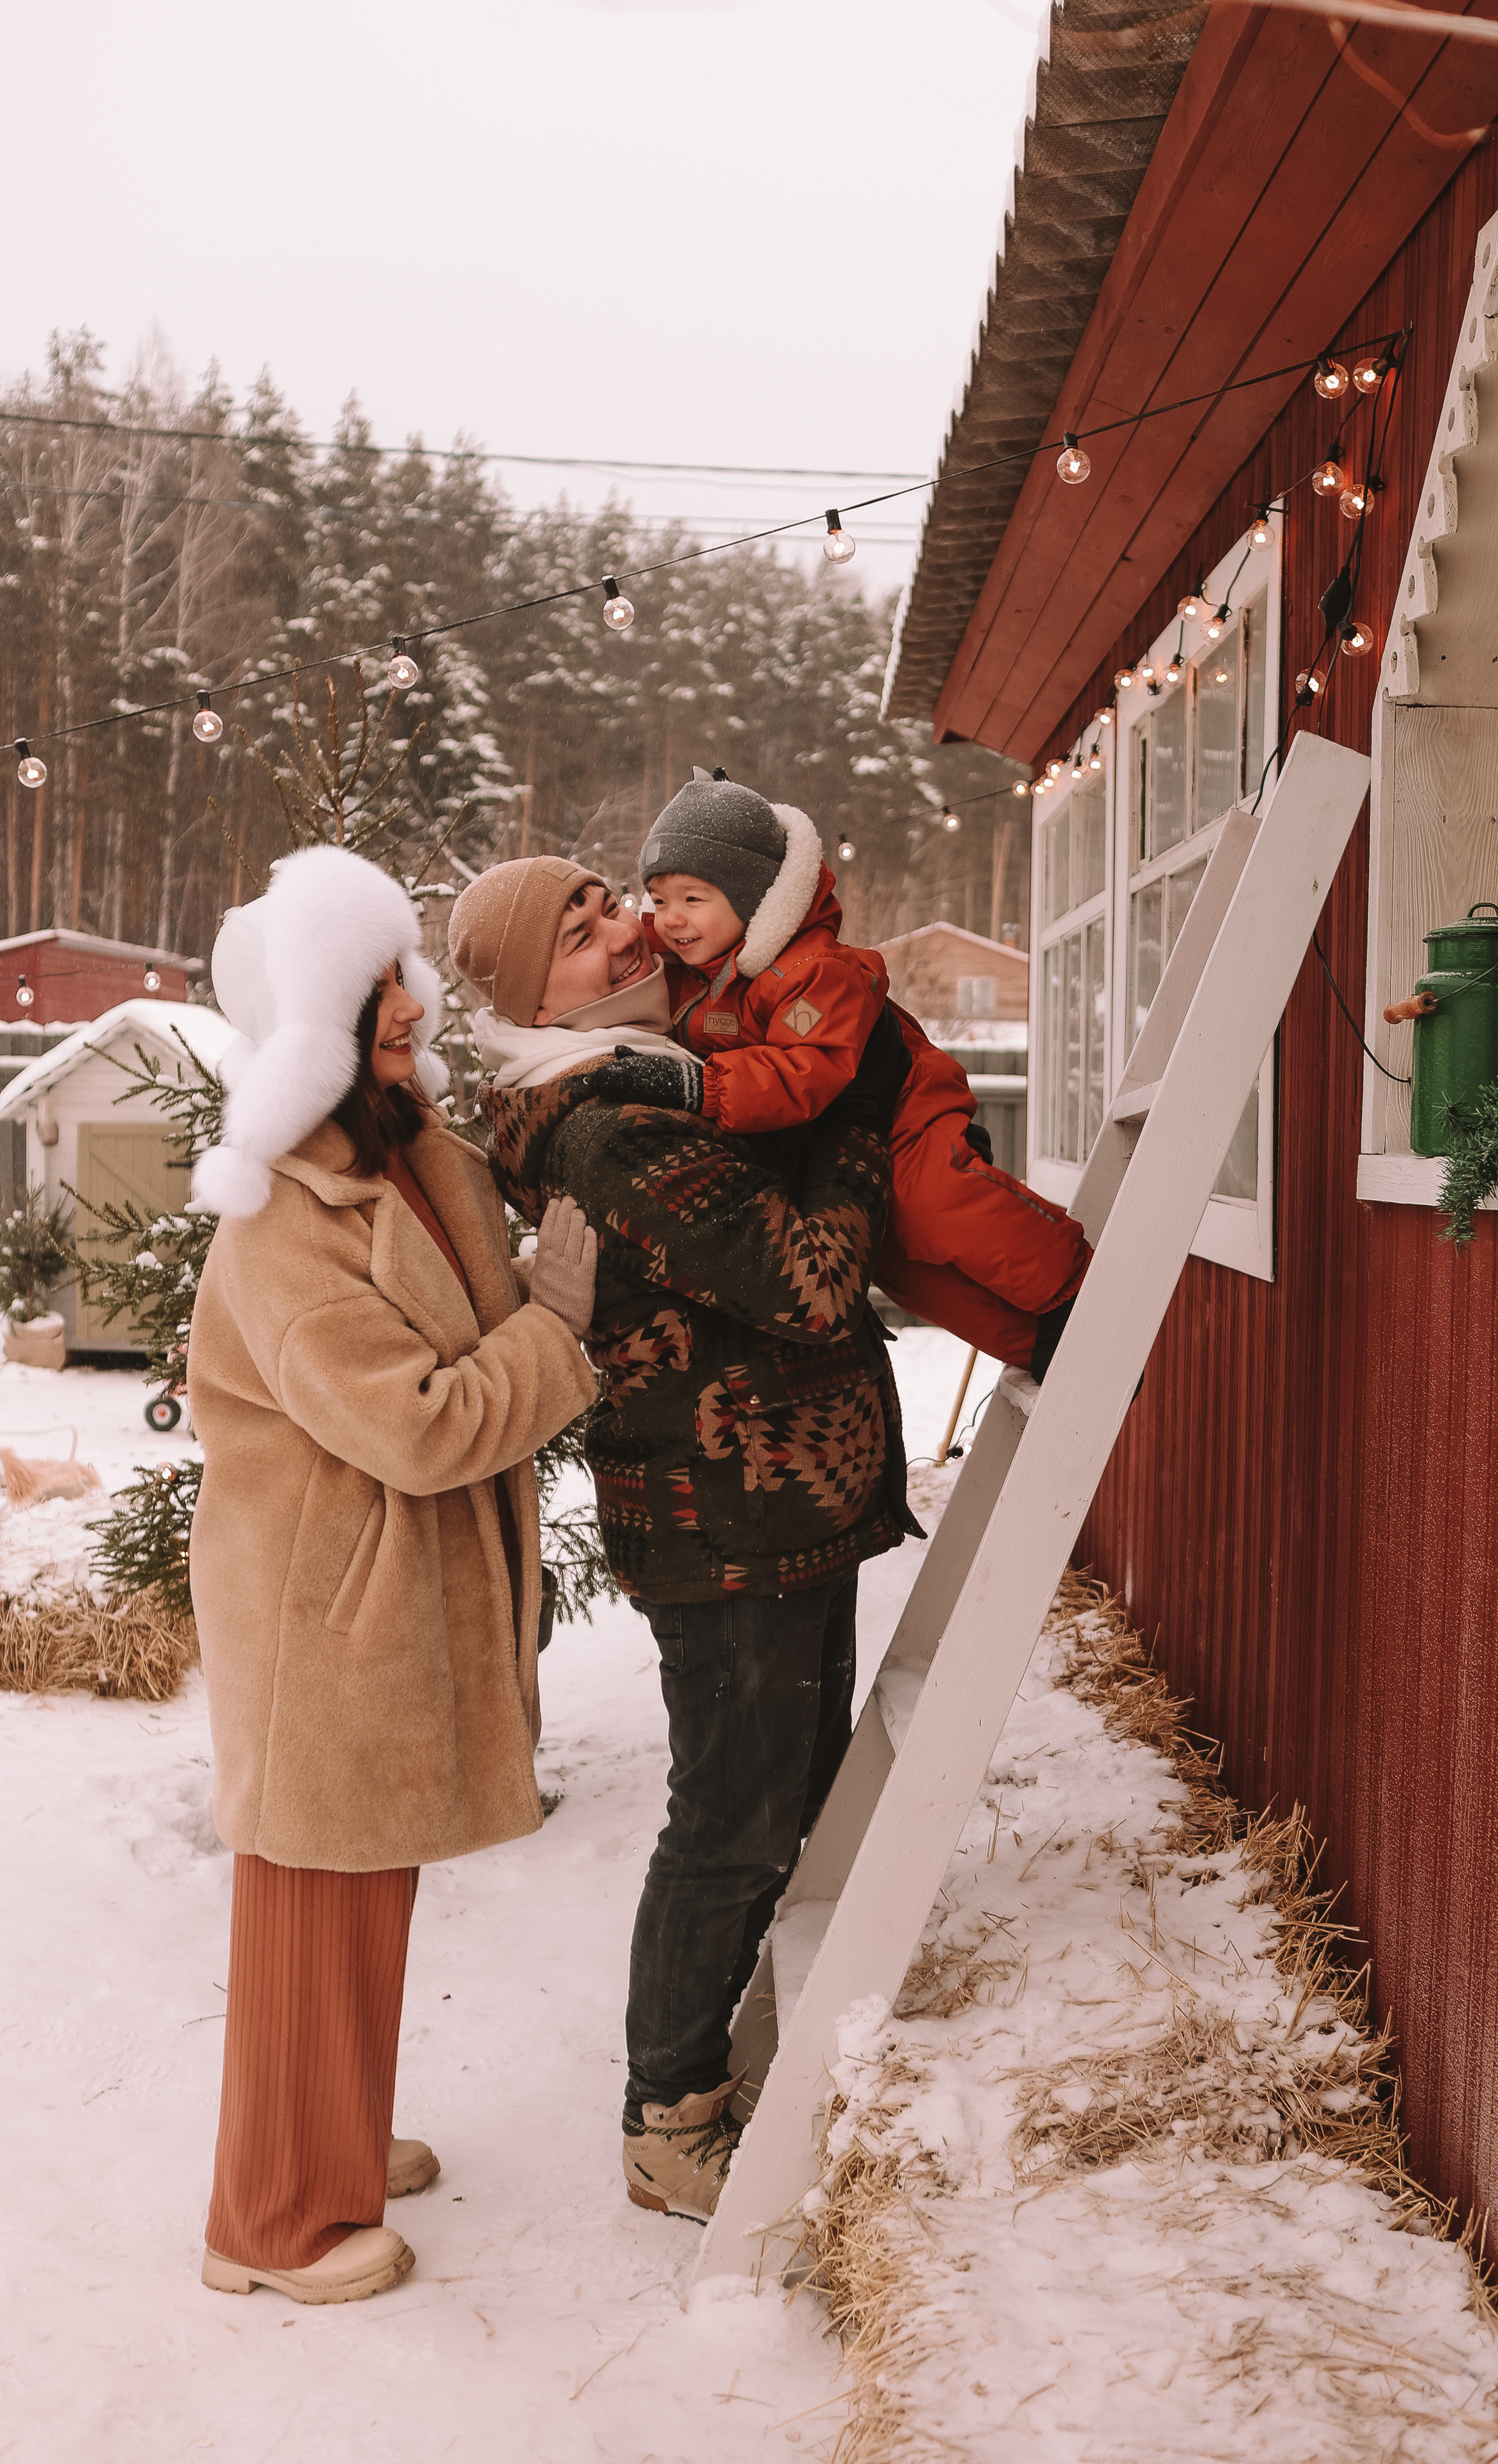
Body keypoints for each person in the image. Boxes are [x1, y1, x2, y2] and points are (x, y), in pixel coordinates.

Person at [447, 853, 916, 2223]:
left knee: (785, 1793)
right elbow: (809, 1285)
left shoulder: (648, 1075)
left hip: (769, 1509)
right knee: (732, 1821)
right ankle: (668, 2118)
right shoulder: (608, 1127)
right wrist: (859, 1113)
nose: (624, 931)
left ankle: (743, 2051)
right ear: (532, 1002)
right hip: (727, 1521)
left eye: (609, 902)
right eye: (579, 934)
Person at [187, 844, 600, 2305]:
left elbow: (460, 1331)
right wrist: (557, 1329)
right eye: (379, 1001)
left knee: (366, 1896)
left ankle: (337, 2137)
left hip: (377, 1602)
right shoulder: (279, 1223)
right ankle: (273, 2221)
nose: (414, 1013)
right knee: (311, 1909)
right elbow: (418, 1425)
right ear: (314, 1030)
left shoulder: (403, 1153)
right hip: (322, 1615)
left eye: (406, 985)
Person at [587, 769, 1092, 1380]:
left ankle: (1079, 1290)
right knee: (894, 1265)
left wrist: (703, 1087)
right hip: (833, 1143)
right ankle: (1038, 1347)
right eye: (659, 899)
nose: (670, 919)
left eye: (693, 900)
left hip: (904, 1112)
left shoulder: (813, 970)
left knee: (933, 1208)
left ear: (753, 898)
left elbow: (808, 1068)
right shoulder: (687, 966)